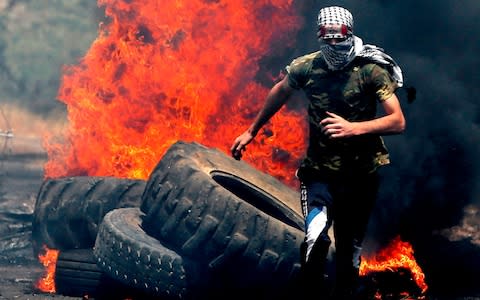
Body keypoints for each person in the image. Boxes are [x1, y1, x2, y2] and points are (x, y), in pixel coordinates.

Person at [230, 5, 406, 299]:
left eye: (340, 38)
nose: (335, 45)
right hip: (319, 173)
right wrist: (252, 130)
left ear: (350, 34)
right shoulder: (307, 67)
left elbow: (398, 121)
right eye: (328, 39)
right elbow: (281, 90)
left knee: (349, 250)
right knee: (315, 238)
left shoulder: (370, 71)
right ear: (320, 37)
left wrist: (354, 128)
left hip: (361, 175)